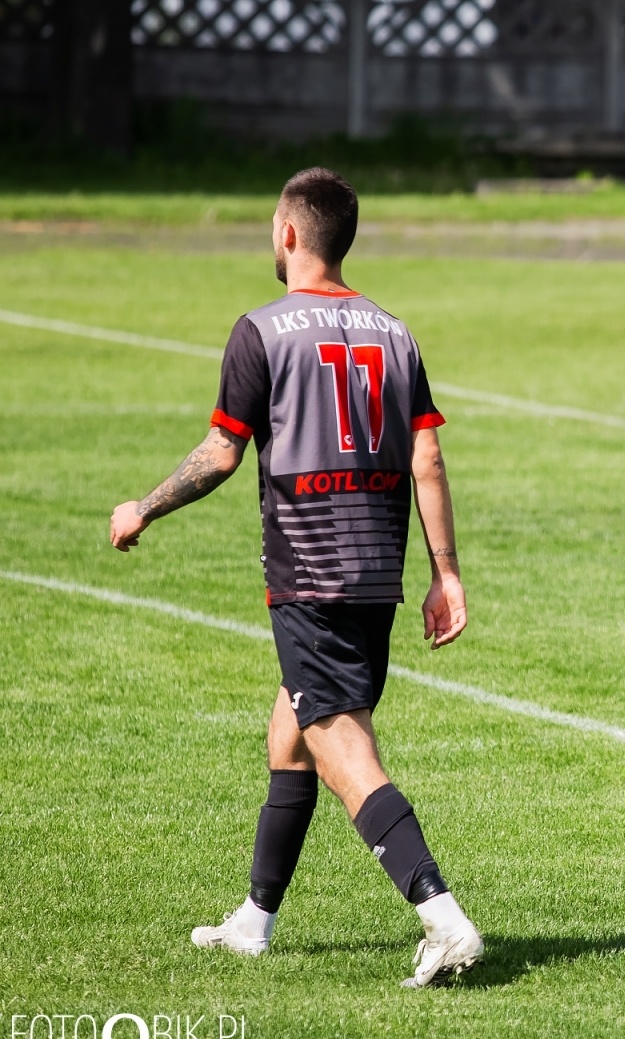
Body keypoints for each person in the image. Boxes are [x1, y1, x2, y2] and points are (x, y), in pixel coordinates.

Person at [108, 167, 483, 987]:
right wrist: (445, 574)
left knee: (342, 749)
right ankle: (256, 919)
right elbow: (427, 455)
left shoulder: (262, 330)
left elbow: (220, 453)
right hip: (376, 574)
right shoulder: (394, 331)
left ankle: (441, 915)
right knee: (293, 734)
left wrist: (145, 505)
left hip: (309, 573)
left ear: (287, 234)